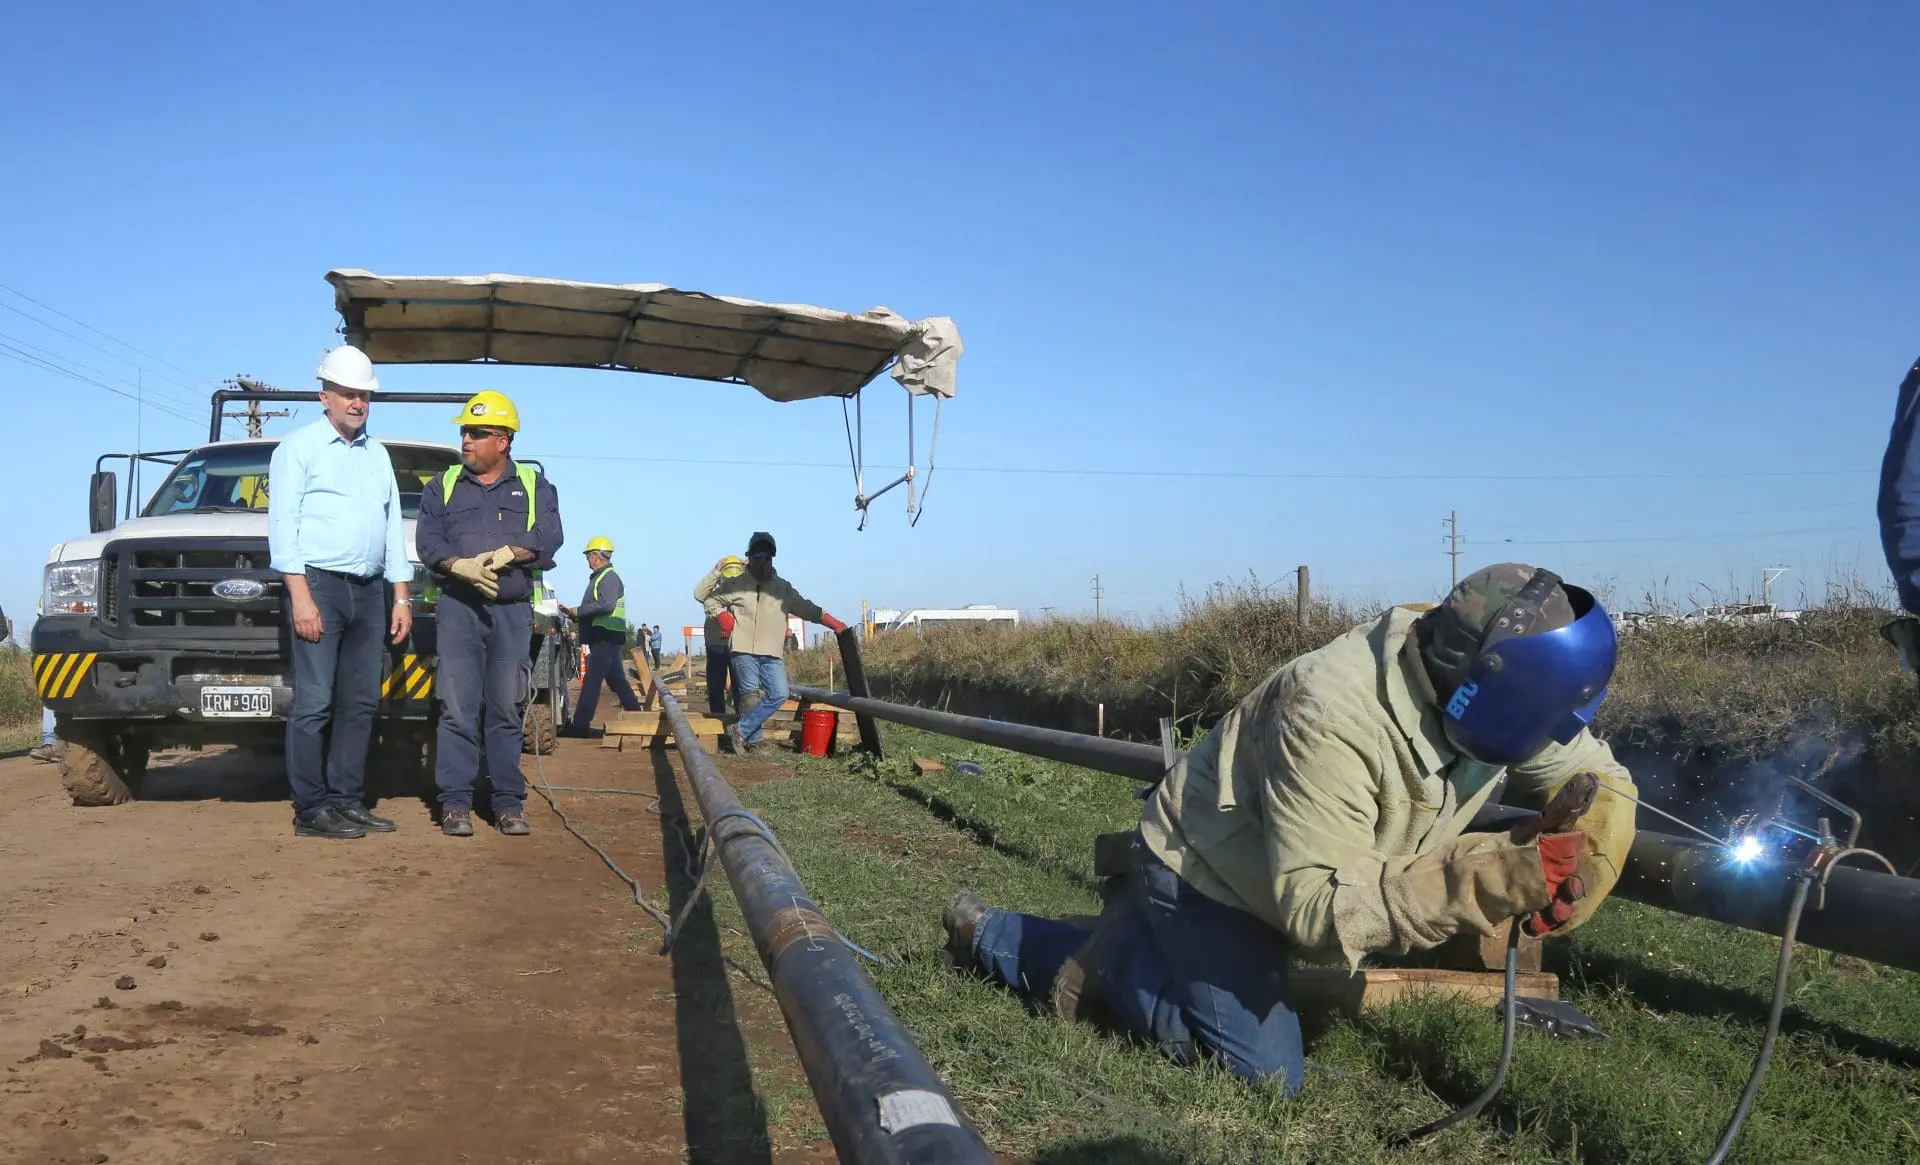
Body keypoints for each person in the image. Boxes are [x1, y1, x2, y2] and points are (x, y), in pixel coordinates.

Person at [940, 564, 1637, 1095]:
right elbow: (1318, 909)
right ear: (1488, 691)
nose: (1548, 738)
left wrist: (1592, 857)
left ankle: (1094, 943)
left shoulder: (1484, 684)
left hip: (1298, 866)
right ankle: (1101, 959)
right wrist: (1490, 874)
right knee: (1266, 1076)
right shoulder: (1330, 715)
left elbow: (1599, 776)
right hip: (1206, 873)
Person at [266, 345, 413, 840]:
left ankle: (347, 801)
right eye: (348, 393)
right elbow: (283, 524)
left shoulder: (378, 455)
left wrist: (400, 596)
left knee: (360, 702)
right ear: (323, 395)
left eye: (364, 395)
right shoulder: (298, 448)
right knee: (314, 703)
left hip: (370, 592)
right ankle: (311, 809)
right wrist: (300, 596)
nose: (357, 402)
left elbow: (393, 528)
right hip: (320, 587)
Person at [415, 390, 563, 838]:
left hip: (510, 612)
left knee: (504, 707)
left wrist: (510, 553)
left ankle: (508, 804)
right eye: (464, 431)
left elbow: (549, 536)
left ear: (503, 440)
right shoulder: (441, 486)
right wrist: (456, 565)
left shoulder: (536, 487)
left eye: (476, 433)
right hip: (458, 610)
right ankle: (456, 804)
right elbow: (428, 541)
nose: (466, 440)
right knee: (457, 709)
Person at [694, 531, 847, 753]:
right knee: (749, 695)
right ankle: (755, 741)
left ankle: (741, 730)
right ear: (750, 558)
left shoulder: (782, 589)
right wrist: (722, 616)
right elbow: (708, 599)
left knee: (779, 693)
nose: (762, 562)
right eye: (757, 557)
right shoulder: (737, 584)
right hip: (743, 648)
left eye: (766, 557)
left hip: (772, 651)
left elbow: (808, 609)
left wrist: (833, 623)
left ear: (772, 559)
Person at [558, 536, 641, 735]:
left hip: (606, 636)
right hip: (607, 636)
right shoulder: (601, 577)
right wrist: (574, 614)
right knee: (617, 680)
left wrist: (577, 611)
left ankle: (580, 726)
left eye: (588, 555)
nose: (587, 559)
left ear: (597, 556)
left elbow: (606, 605)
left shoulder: (608, 577)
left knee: (593, 681)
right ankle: (638, 717)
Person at [694, 556, 747, 716]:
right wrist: (715, 571)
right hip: (716, 643)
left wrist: (753, 570)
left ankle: (742, 721)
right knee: (716, 686)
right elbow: (698, 594)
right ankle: (718, 719)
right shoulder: (713, 591)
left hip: (739, 642)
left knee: (741, 685)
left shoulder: (747, 589)